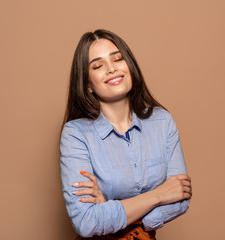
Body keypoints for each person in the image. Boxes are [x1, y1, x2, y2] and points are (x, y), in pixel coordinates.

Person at [60, 29, 192, 240]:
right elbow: (85, 222)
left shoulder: (162, 121)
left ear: (129, 65)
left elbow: (181, 198)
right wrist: (159, 195)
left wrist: (109, 209)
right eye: (98, 65)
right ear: (87, 84)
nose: (111, 69)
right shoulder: (75, 134)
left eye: (118, 59)